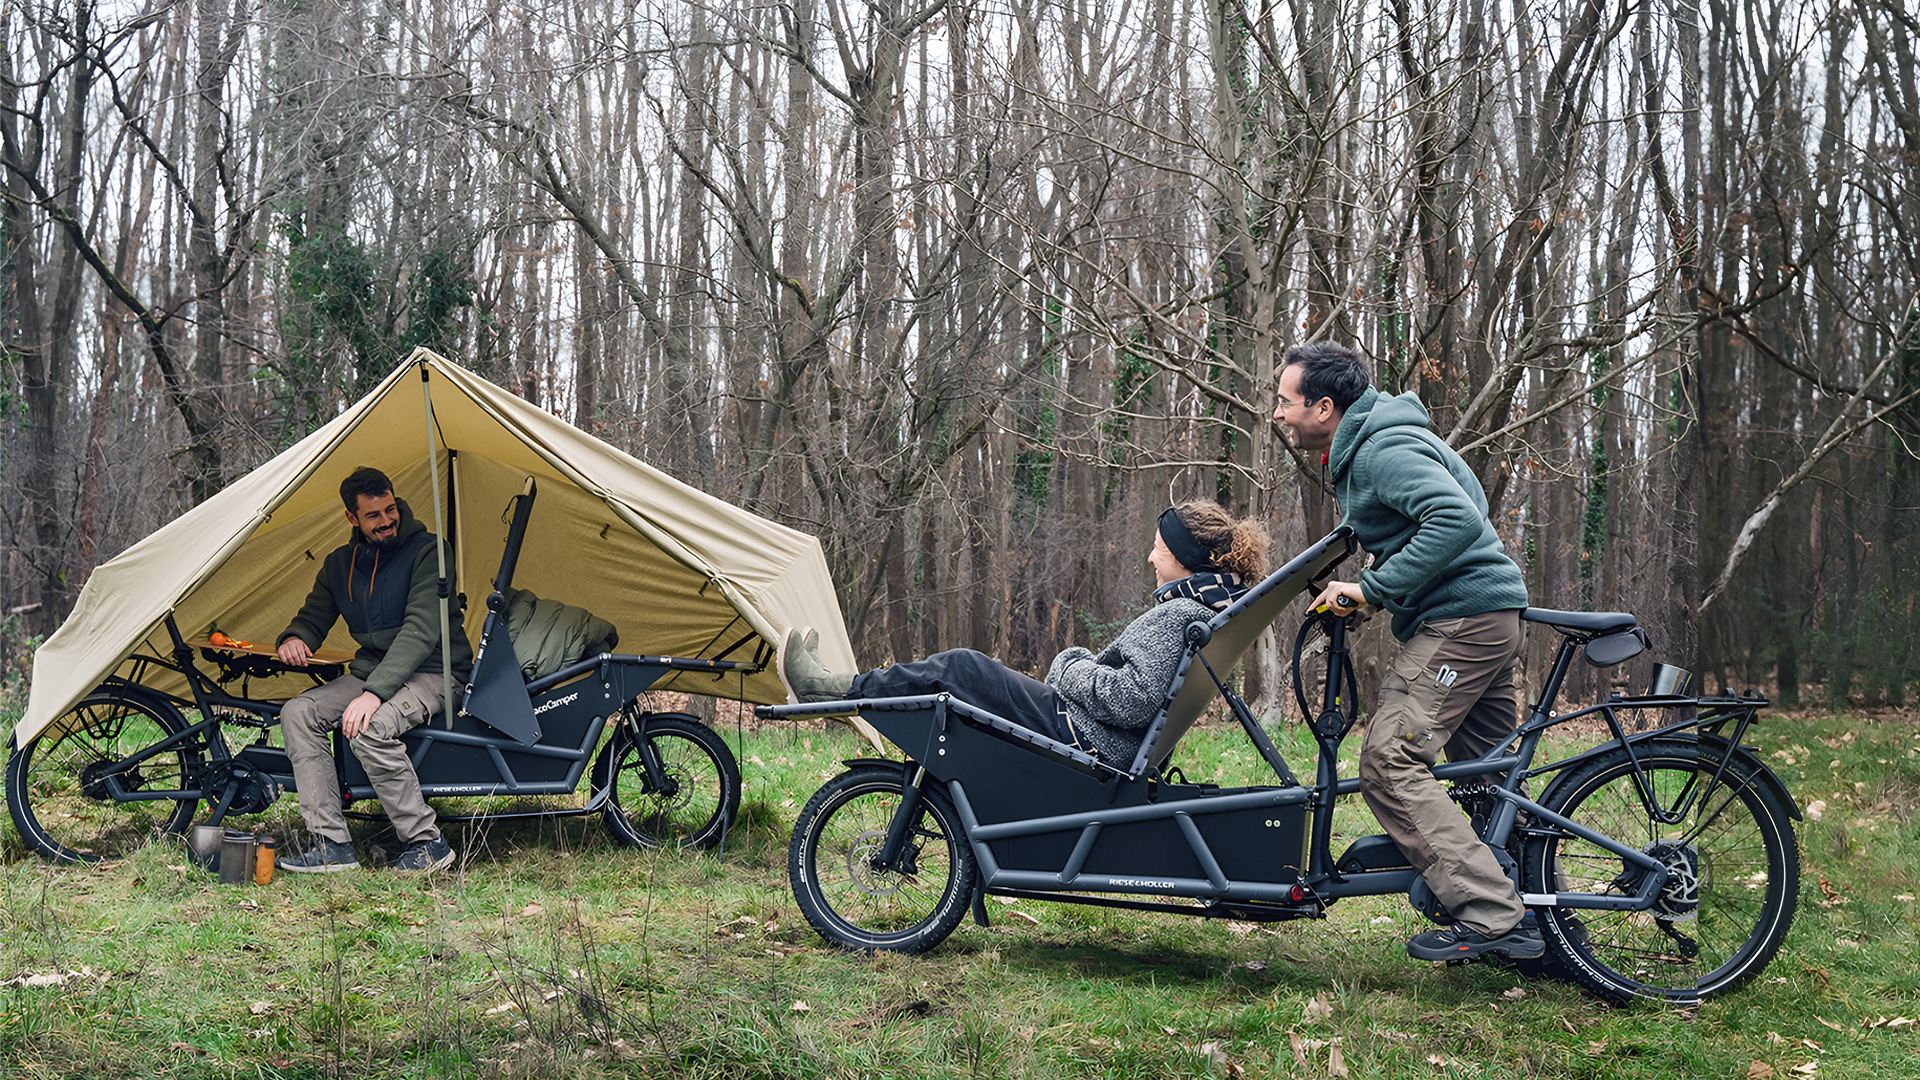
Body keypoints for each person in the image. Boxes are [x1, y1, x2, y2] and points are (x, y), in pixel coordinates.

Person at [1272, 341, 1540, 962]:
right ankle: (1541, 926)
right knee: (1490, 784)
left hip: (1463, 623)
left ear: (1324, 407)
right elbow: (1460, 503)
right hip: (1487, 616)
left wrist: (1372, 588)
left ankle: (1492, 914)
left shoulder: (1382, 450)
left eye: (1286, 402)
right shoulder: (1385, 439)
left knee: (1389, 762)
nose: (1280, 414)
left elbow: (1455, 519)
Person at [778, 502, 1268, 767]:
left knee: (962, 668)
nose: (1149, 558)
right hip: (1097, 735)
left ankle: (833, 690)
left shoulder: (1179, 613)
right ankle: (845, 689)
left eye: (1158, 549)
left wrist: (1070, 665)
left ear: (1184, 558)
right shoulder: (1200, 608)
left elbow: (1130, 700)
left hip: (1087, 738)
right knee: (964, 675)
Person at [272, 466, 474, 874]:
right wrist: (295, 637)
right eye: (374, 515)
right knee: (298, 712)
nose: (386, 521)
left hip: (437, 671)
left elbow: (421, 630)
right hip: (374, 673)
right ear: (352, 518)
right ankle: (331, 845)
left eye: (389, 509)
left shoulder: (429, 552)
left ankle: (426, 842)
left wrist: (374, 693)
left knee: (369, 727)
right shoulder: (339, 564)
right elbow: (314, 616)